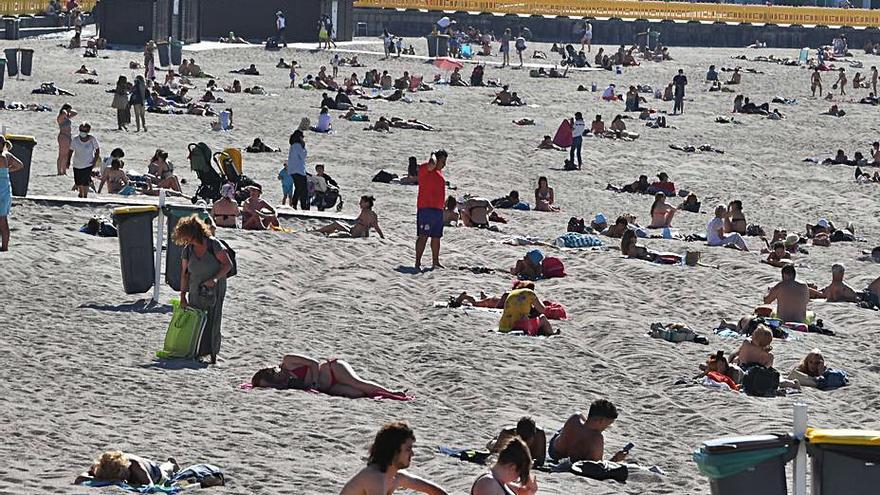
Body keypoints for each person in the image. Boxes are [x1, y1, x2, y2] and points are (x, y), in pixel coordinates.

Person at [174, 215, 232, 364]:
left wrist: (214, 279)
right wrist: (182, 296)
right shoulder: (188, 250)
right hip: (195, 288)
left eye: (186, 235)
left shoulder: (214, 245)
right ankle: (196, 351)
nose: (184, 239)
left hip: (215, 288)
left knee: (213, 319)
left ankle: (213, 354)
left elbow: (227, 265)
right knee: (196, 319)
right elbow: (185, 274)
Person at [340, 422, 448, 495]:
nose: (412, 454)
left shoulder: (395, 477)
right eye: (408, 449)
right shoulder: (374, 477)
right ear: (394, 451)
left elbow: (435, 491)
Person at [251, 354, 404, 398]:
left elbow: (313, 363)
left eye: (271, 382)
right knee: (358, 394)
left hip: (332, 369)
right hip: (329, 387)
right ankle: (385, 394)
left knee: (358, 383)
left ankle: (391, 392)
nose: (274, 386)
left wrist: (314, 384)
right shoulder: (285, 384)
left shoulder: (288, 361)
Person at [547, 399, 627, 463]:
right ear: (601, 421)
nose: (607, 427)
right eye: (608, 424)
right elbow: (596, 467)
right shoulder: (597, 438)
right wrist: (615, 459)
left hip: (554, 452)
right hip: (573, 461)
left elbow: (586, 424)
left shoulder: (575, 417)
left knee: (565, 431)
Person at [415, 150, 448, 270]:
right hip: (426, 209)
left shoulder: (439, 173)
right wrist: (433, 155)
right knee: (423, 235)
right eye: (442, 161)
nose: (444, 164)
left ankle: (435, 261)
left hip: (437, 210)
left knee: (436, 237)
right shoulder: (426, 169)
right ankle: (417, 262)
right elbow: (431, 164)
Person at [471, 437, 538, 495]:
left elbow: (522, 491)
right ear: (512, 468)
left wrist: (530, 490)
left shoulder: (502, 482)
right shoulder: (488, 483)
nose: (517, 479)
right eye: (519, 475)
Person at [316, 195, 384, 239]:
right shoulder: (372, 213)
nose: (359, 203)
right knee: (341, 222)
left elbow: (373, 226)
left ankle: (318, 231)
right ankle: (325, 231)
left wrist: (381, 237)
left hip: (354, 234)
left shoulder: (366, 212)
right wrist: (381, 236)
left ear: (367, 203)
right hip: (354, 231)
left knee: (336, 224)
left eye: (361, 202)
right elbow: (376, 227)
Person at [0, 136, 23, 251]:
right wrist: (6, 171)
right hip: (5, 190)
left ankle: (4, 247)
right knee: (3, 220)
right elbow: (20, 165)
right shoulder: (7, 155)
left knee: (2, 221)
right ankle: (4, 246)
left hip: (1, 193)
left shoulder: (2, 156)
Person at [68, 122, 100, 198]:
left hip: (88, 163)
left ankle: (85, 196)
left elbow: (97, 150)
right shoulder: (75, 140)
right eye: (81, 130)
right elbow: (70, 151)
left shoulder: (92, 139)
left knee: (85, 181)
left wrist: (95, 160)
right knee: (78, 182)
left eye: (85, 131)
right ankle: (80, 193)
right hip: (77, 164)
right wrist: (68, 161)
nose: (83, 132)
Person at [287, 130, 309, 210]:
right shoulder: (298, 146)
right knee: (303, 189)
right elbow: (303, 156)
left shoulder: (292, 146)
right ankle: (303, 206)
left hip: (292, 170)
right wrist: (304, 147)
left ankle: (294, 204)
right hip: (298, 170)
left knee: (298, 188)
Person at [56, 103, 77, 175]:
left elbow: (75, 113)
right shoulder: (60, 118)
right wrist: (65, 111)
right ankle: (59, 171)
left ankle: (64, 170)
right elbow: (64, 112)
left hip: (69, 136)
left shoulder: (67, 117)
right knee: (62, 154)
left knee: (67, 155)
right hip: (63, 136)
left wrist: (69, 111)